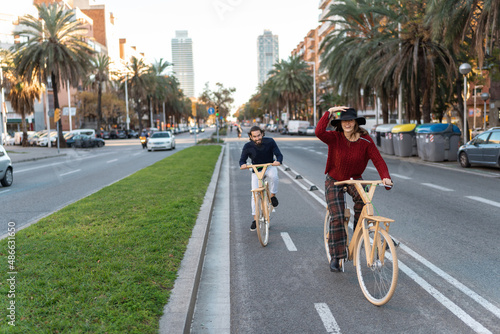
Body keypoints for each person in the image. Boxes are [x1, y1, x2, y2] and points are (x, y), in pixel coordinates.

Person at [315, 106, 392, 272]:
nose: (347, 123)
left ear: (356, 122)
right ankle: (336, 255)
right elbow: (319, 132)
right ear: (340, 123)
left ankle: (359, 233)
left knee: (364, 203)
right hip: (334, 180)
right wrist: (330, 111)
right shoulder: (335, 137)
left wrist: (386, 177)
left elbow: (378, 160)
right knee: (337, 216)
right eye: (344, 121)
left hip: (354, 179)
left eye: (350, 120)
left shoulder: (365, 140)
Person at [239, 126, 283, 231]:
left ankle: (273, 195)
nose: (257, 138)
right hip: (256, 170)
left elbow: (279, 154)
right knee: (254, 193)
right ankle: (255, 219)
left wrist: (278, 161)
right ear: (251, 136)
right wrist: (243, 164)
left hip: (269, 166)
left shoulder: (270, 142)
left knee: (274, 176)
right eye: (254, 136)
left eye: (259, 135)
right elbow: (242, 160)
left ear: (262, 134)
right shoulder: (247, 146)